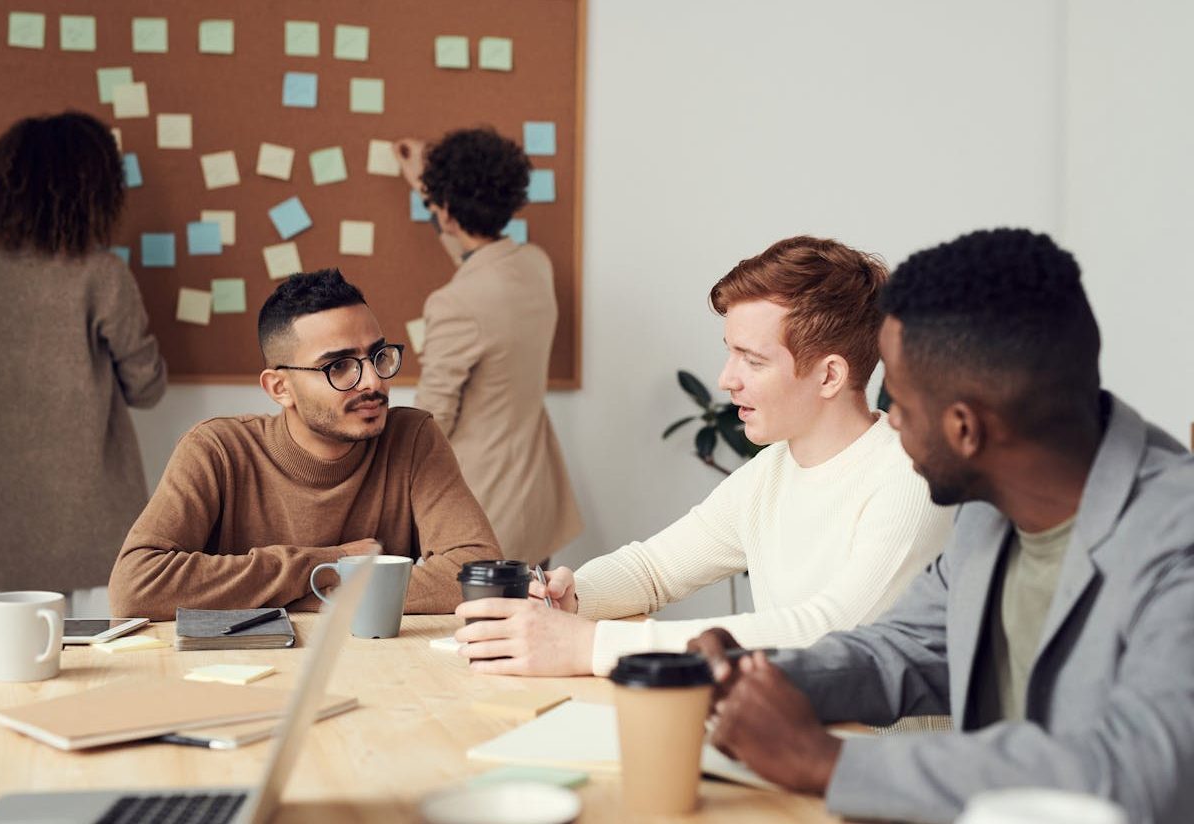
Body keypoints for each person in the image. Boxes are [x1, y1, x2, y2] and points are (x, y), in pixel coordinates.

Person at [693, 228, 1194, 824]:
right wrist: (757, 674)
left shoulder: (1177, 541)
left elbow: (1141, 774)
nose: (890, 424)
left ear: (965, 429)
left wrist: (826, 763)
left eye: (899, 404)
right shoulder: (992, 509)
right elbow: (905, 649)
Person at [455, 236, 955, 676]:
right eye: (730, 352)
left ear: (829, 376)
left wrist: (592, 647)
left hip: (874, 763)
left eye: (753, 360)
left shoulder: (908, 478)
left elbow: (829, 635)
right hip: (783, 743)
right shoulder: (772, 471)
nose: (726, 379)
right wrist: (575, 595)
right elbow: (654, 570)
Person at [107, 269, 502, 620]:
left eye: (378, 355)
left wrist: (297, 594)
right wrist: (333, 562)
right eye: (339, 366)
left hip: (378, 671)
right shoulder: (216, 450)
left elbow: (478, 572)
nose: (373, 382)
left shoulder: (412, 439)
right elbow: (136, 586)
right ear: (280, 388)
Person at [0, 111, 166, 603]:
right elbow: (148, 388)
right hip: (95, 499)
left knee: (33, 642)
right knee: (114, 640)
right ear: (94, 190)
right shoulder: (101, 273)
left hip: (10, 498)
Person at [393, 128, 582, 566]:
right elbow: (478, 263)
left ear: (448, 214)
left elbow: (432, 420)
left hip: (483, 507)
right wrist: (431, 189)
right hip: (534, 499)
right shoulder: (534, 265)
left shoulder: (454, 303)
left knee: (477, 633)